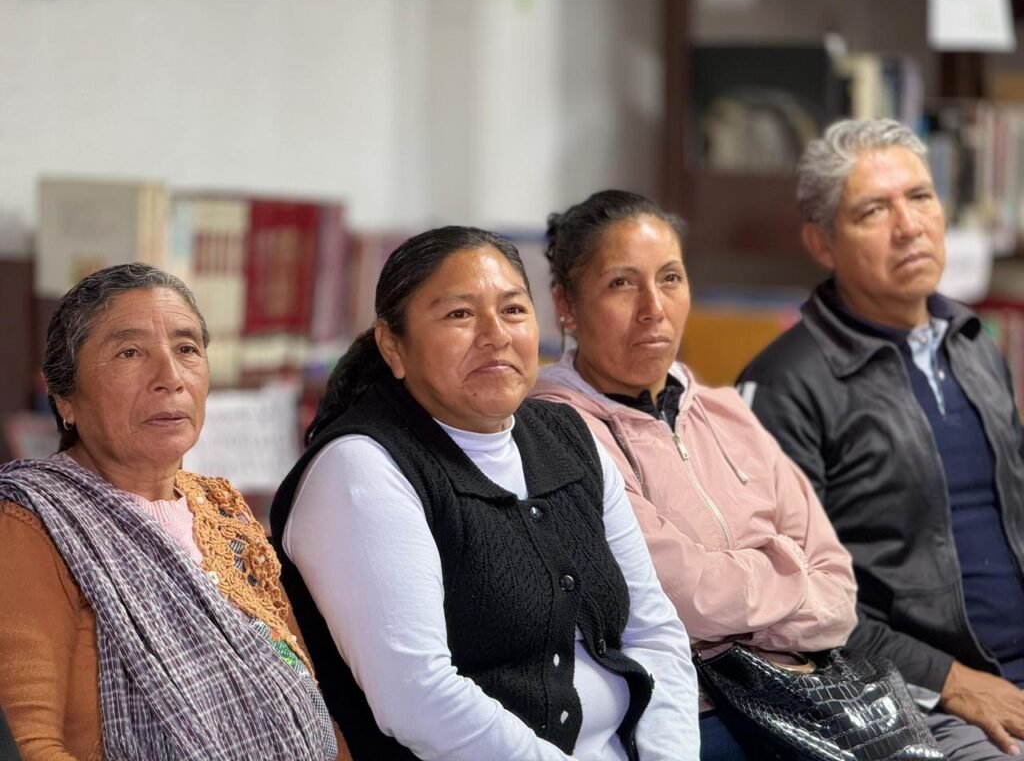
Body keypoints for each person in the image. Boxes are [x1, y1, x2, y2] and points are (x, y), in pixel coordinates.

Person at [271, 226, 700, 761]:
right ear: (392, 346)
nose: (495, 335)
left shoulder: (569, 437)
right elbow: (418, 698)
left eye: (513, 310)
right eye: (460, 314)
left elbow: (654, 632)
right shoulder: (360, 469)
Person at [529, 189, 859, 761]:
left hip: (803, 695)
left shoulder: (727, 411)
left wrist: (736, 617)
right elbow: (687, 598)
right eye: (621, 283)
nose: (653, 307)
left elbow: (840, 591)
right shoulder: (558, 431)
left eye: (671, 278)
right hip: (683, 715)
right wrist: (788, 573)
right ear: (567, 305)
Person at [738, 118, 1024, 761]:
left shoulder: (973, 343)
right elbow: (788, 606)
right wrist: (951, 681)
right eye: (874, 210)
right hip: (915, 698)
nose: (909, 225)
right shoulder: (784, 386)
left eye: (920, 197)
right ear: (822, 243)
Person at [0, 263, 336, 761]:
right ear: (64, 396)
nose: (171, 379)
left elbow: (304, 697)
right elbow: (29, 743)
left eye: (186, 350)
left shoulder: (223, 512)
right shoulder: (28, 525)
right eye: (130, 353)